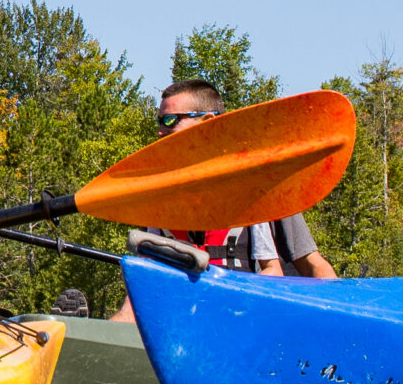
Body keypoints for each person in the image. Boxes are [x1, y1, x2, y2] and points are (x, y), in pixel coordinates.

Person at [107, 79, 334, 327]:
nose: (160, 130)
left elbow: (313, 266)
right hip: (183, 327)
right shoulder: (158, 200)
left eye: (170, 120)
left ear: (208, 122)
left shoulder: (261, 191)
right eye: (159, 120)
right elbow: (140, 293)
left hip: (249, 324)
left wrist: (340, 325)